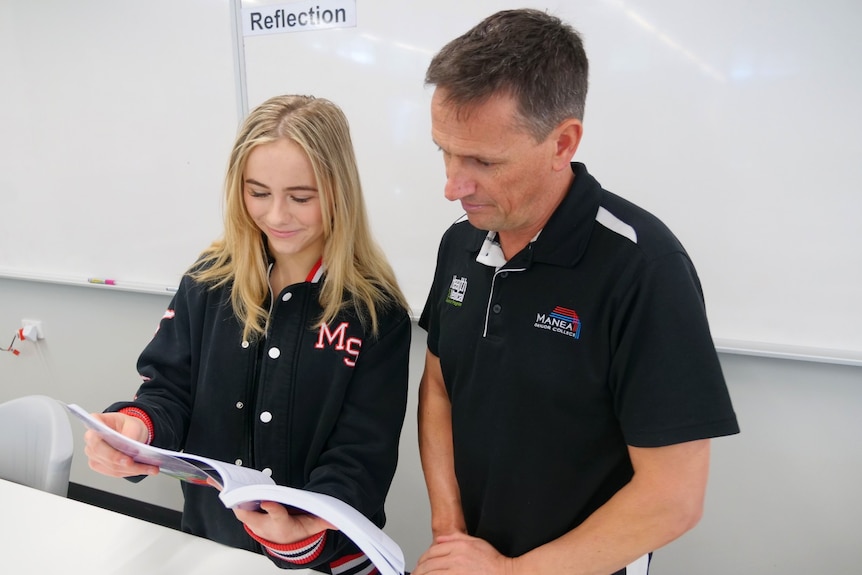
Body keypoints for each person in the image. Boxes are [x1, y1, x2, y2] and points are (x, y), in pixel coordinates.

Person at [415, 9, 740, 575]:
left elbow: (674, 498)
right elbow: (440, 387)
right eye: (444, 150)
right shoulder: (460, 243)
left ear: (562, 142)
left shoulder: (643, 268)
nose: (452, 185)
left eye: (483, 161)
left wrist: (512, 573)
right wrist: (449, 532)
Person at [83, 94, 411, 574]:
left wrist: (302, 534)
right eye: (258, 193)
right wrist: (137, 429)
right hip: (213, 548)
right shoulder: (209, 281)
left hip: (328, 561)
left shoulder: (375, 313)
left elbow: (361, 457)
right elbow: (169, 390)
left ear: (339, 190)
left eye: (301, 197)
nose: (277, 215)